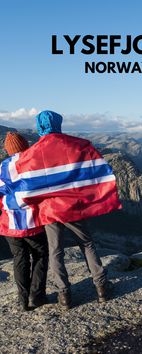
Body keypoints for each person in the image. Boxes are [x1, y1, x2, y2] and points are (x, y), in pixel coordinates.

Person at [0, 111, 122, 309]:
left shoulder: (31, 153)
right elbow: (91, 161)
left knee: (55, 250)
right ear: (58, 124)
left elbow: (19, 176)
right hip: (73, 207)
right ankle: (101, 288)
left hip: (49, 211)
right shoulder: (76, 144)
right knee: (87, 244)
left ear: (40, 126)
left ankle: (64, 296)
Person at [0, 132, 48, 311]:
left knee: (20, 259)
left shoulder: (2, 167)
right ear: (26, 145)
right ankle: (37, 296)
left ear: (8, 150)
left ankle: (23, 299)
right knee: (40, 256)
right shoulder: (35, 164)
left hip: (9, 224)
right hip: (33, 222)